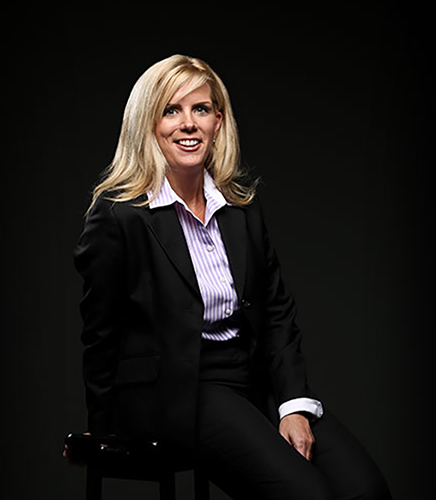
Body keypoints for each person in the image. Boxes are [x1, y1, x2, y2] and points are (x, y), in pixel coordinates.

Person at [70, 54, 393, 499]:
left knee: (366, 490)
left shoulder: (240, 209)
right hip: (181, 392)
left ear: (218, 122)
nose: (188, 123)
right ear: (148, 123)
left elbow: (276, 311)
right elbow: (100, 332)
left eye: (200, 109)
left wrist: (292, 404)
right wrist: (101, 431)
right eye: (171, 110)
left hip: (253, 379)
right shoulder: (119, 216)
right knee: (306, 495)